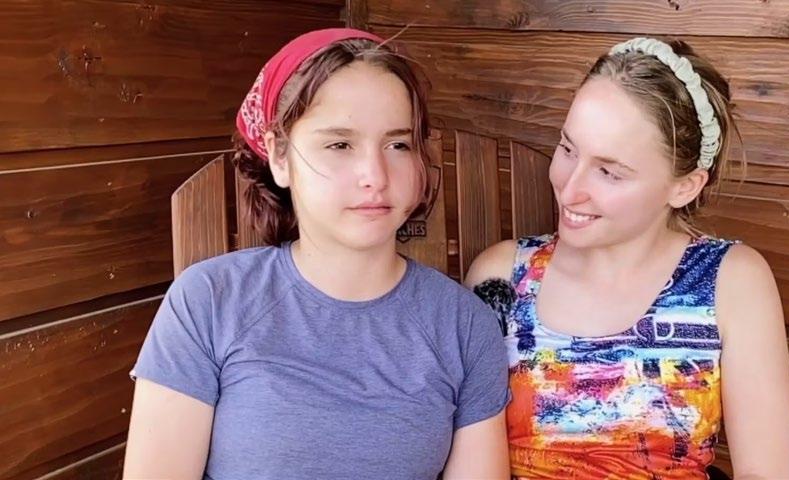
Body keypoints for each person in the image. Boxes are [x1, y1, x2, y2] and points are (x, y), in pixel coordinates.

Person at [124, 28, 510, 480]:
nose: (375, 175)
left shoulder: (464, 326)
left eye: (398, 144)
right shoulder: (210, 301)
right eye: (339, 144)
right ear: (279, 156)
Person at [466, 37, 789, 479]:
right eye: (568, 149)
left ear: (684, 186)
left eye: (609, 172)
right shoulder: (503, 277)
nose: (569, 189)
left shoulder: (731, 282)